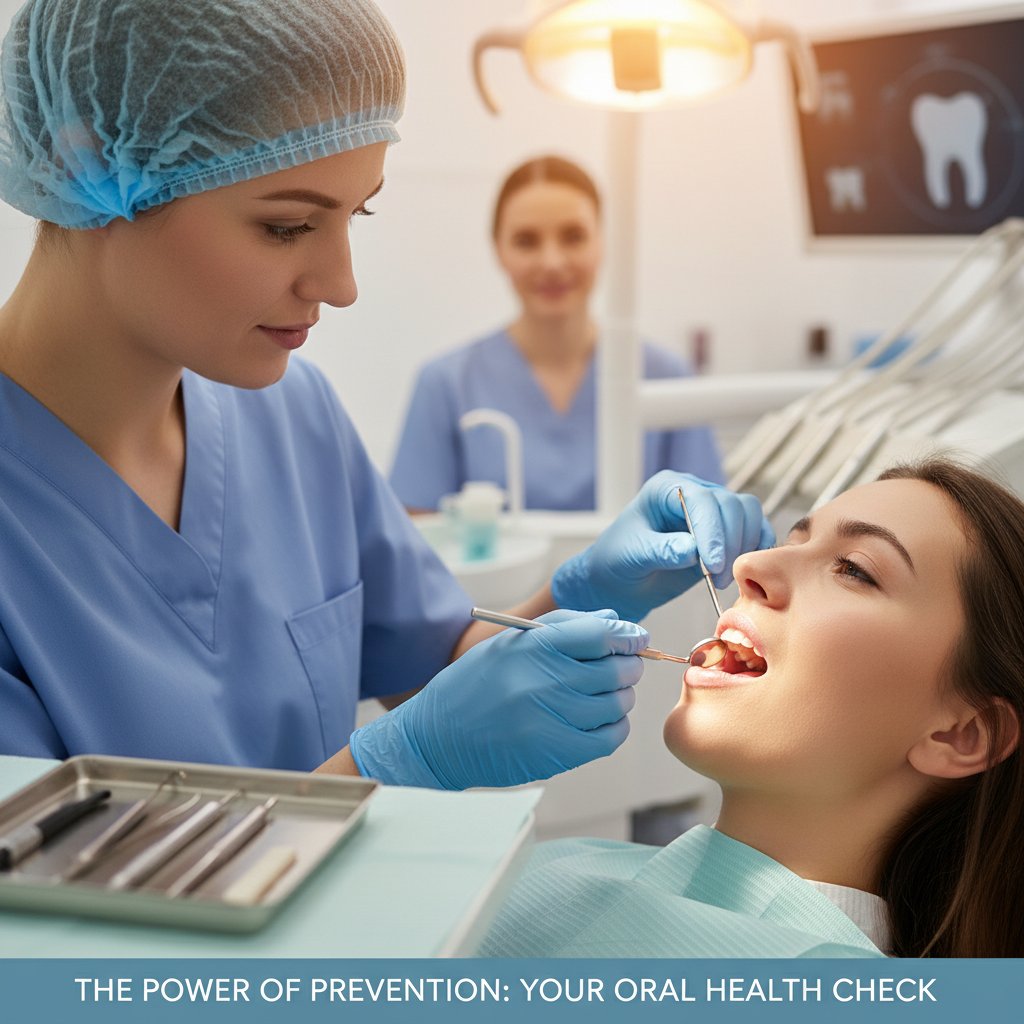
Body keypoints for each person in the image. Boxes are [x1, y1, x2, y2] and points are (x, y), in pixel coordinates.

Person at [0, 0, 770, 790]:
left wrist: (585, 595)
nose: (342, 285)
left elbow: (439, 682)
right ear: (85, 162)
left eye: (356, 216)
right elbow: (51, 901)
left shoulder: (294, 417)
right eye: (289, 226)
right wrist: (395, 762)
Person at [480, 458, 1024, 957]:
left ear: (963, 734)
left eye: (855, 569)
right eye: (792, 539)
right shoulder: (574, 872)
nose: (750, 564)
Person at [388, 155, 723, 512]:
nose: (551, 262)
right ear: (498, 250)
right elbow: (416, 538)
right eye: (526, 241)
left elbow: (705, 525)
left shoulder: (666, 377)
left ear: (602, 243)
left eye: (573, 237)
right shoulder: (446, 384)